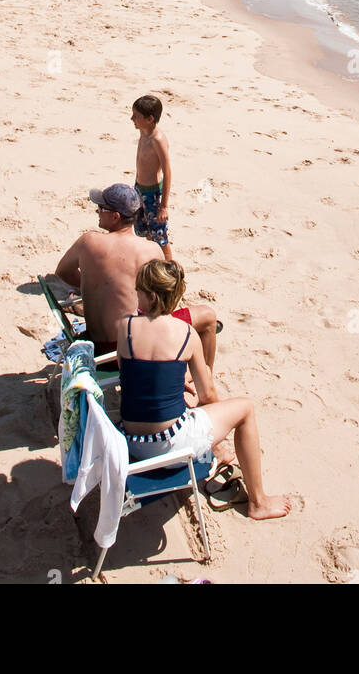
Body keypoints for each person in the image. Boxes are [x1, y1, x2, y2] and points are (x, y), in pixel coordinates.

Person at [117, 261, 291, 520]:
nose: (136, 295)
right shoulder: (186, 335)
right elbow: (208, 396)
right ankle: (259, 502)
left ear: (151, 296)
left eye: (138, 290)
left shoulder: (125, 327)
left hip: (131, 441)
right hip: (169, 446)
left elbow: (131, 376)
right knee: (245, 409)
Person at [53, 184, 219, 367]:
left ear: (116, 216)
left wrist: (95, 289)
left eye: (101, 208)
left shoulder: (88, 241)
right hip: (128, 350)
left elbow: (62, 272)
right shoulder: (149, 250)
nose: (97, 211)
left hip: (95, 347)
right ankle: (204, 386)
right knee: (208, 316)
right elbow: (165, 304)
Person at [131, 94, 173, 261]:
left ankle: (170, 267)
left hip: (153, 194)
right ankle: (154, 262)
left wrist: (163, 206)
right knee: (144, 231)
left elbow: (167, 172)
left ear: (150, 119)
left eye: (136, 116)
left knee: (160, 235)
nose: (132, 118)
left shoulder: (158, 140)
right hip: (139, 188)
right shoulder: (143, 131)